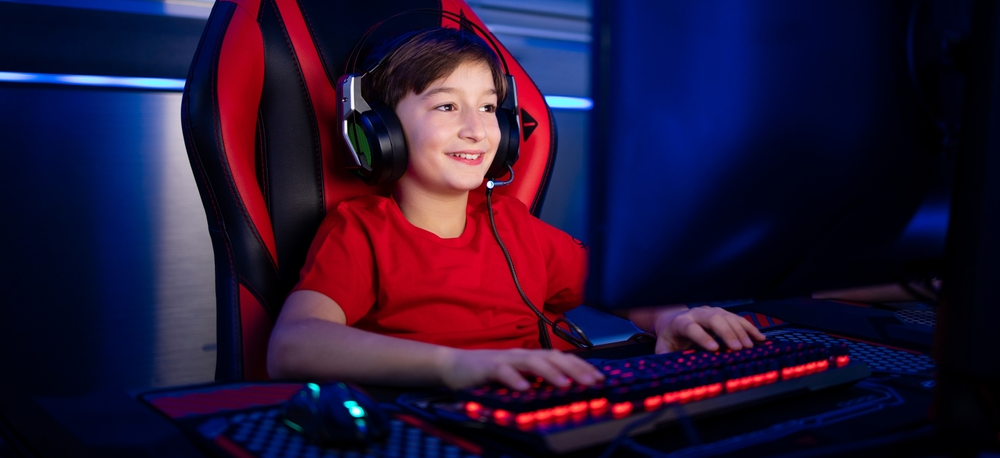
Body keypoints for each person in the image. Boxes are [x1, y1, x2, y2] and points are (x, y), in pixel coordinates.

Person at [267, 27, 764, 390]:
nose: (476, 129)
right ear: (380, 132)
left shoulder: (514, 226)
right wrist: (455, 366)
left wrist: (670, 319)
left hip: (555, 411)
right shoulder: (362, 232)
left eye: (487, 107)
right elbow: (292, 347)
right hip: (443, 425)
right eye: (446, 106)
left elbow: (620, 290)